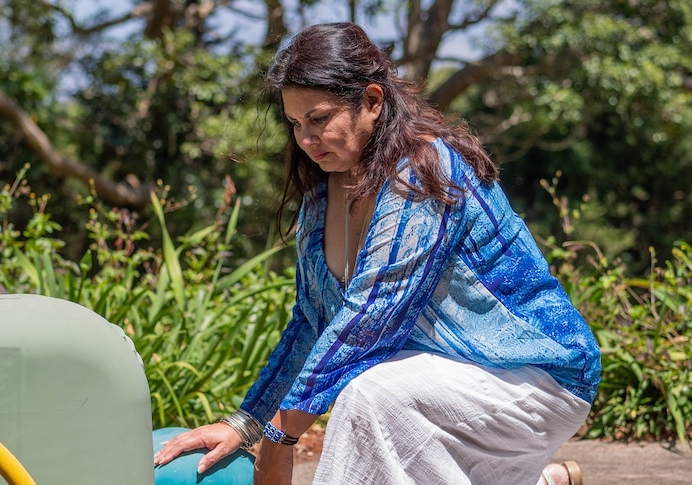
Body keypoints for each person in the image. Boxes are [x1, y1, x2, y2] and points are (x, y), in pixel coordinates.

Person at [154, 22, 601, 485]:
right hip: (440, 375)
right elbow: (310, 323)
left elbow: (369, 319)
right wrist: (243, 423)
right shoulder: (320, 199)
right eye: (295, 123)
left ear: (372, 101)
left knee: (371, 396)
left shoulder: (423, 173)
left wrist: (278, 439)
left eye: (319, 118)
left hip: (535, 378)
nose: (305, 139)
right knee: (381, 391)